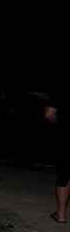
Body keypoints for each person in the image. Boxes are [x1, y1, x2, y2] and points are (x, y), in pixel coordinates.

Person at [45, 92, 70, 223]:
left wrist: (60, 124)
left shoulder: (61, 90)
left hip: (66, 137)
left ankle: (61, 215)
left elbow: (49, 114)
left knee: (64, 174)